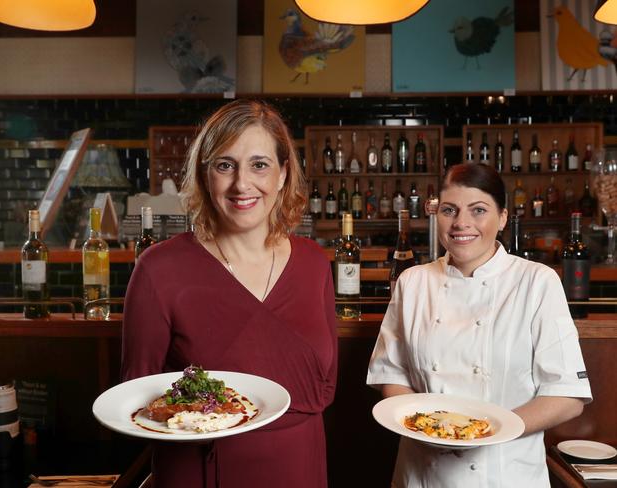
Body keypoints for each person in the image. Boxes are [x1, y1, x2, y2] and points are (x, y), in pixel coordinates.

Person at [122, 99, 337, 488]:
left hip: (299, 468)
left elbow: (323, 387)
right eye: (225, 165)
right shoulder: (158, 269)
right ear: (205, 176)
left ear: (283, 174)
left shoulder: (314, 263)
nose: (242, 183)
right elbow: (135, 398)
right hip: (202, 473)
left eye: (259, 165)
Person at [367, 163, 592, 487]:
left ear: (502, 217)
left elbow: (567, 397)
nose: (462, 223)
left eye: (478, 210)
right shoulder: (412, 282)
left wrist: (484, 431)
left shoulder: (536, 282)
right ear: (436, 214)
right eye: (450, 210)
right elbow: (391, 375)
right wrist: (428, 428)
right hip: (423, 472)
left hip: (505, 475)